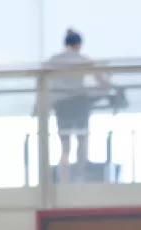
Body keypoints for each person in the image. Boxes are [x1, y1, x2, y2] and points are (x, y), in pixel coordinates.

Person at [46, 28, 110, 176]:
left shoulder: (54, 60)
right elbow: (102, 81)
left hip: (61, 104)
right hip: (79, 103)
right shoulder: (84, 60)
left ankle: (64, 178)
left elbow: (45, 81)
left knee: (65, 145)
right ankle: (79, 175)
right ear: (79, 44)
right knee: (82, 140)